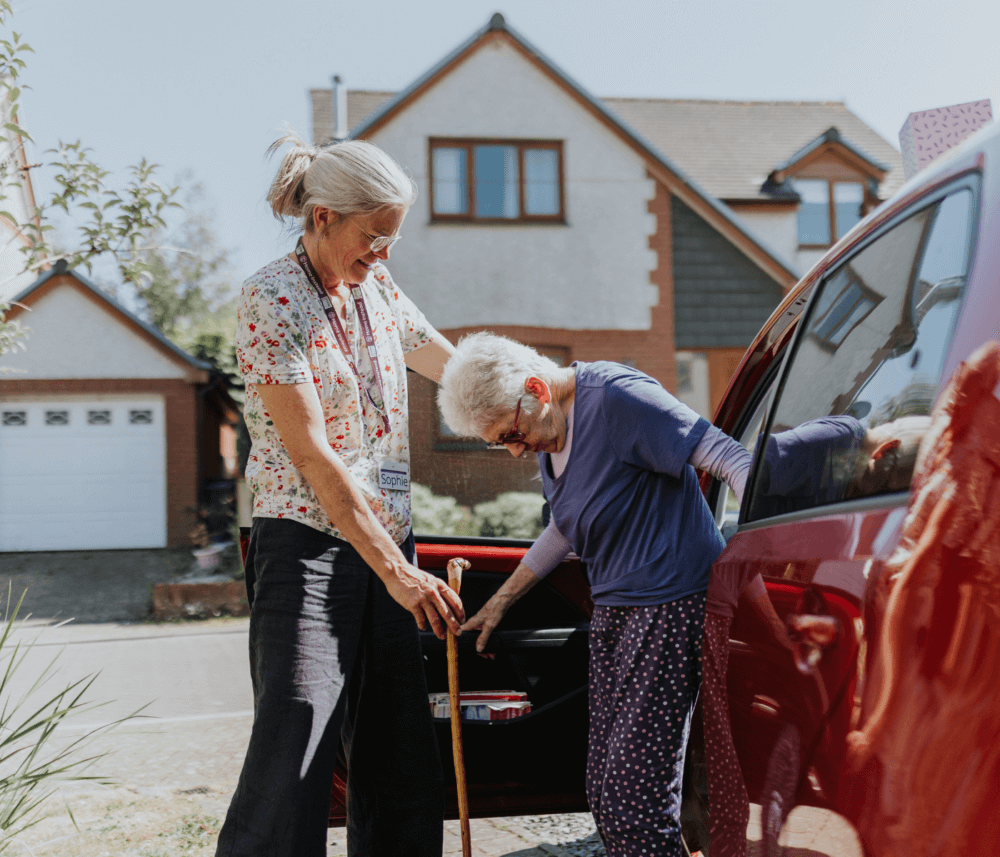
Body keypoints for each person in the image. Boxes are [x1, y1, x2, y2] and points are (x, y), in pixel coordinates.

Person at [216, 130, 464, 857]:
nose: (382, 253)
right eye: (372, 236)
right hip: (307, 546)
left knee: (398, 754)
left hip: (387, 537)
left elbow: (446, 364)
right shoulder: (271, 298)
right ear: (322, 215)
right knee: (295, 742)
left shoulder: (377, 286)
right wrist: (398, 572)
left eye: (391, 239)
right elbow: (316, 458)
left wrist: (531, 399)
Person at [438, 332, 751, 857]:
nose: (515, 449)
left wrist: (757, 551)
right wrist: (501, 601)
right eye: (499, 442)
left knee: (636, 803)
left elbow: (728, 456)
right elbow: (567, 525)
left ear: (537, 388)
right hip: (616, 612)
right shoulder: (549, 435)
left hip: (669, 604)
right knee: (604, 794)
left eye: (511, 433)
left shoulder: (615, 397)